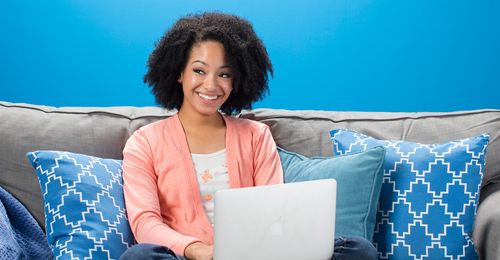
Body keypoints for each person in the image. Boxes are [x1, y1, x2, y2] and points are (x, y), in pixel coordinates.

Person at [120, 12, 378, 260]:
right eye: (199, 70)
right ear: (179, 72)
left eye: (224, 74)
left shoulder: (256, 136)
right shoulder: (144, 143)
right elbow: (145, 222)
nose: (211, 85)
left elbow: (274, 209)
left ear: (236, 81)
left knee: (358, 249)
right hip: (186, 256)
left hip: (255, 255)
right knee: (139, 256)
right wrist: (196, 249)